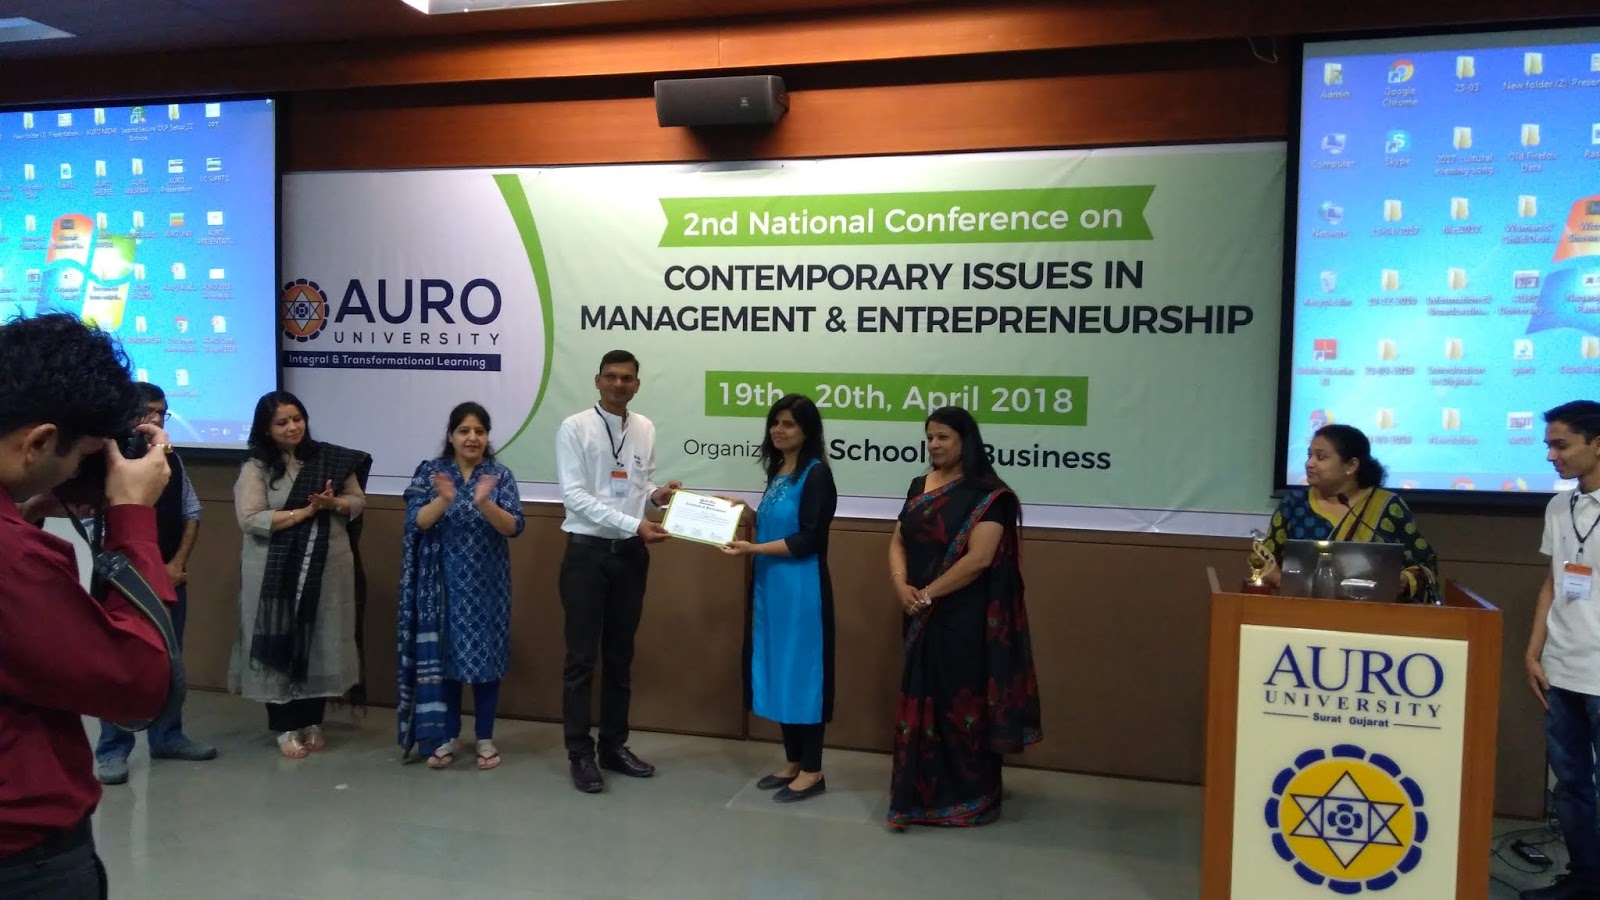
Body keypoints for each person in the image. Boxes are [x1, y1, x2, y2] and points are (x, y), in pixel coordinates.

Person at [0, 313, 179, 898]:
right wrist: (132, 517)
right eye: (81, 456)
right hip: (24, 859)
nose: (81, 472)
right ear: (38, 442)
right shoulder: (16, 561)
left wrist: (24, 509)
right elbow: (137, 684)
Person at [885, 406, 1041, 830]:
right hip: (918, 612)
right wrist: (901, 585)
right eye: (929, 437)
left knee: (961, 706)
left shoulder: (989, 495)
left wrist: (928, 594)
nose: (934, 445)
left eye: (943, 437)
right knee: (921, 700)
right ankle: (914, 799)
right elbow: (898, 540)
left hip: (964, 619)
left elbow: (980, 559)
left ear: (965, 441)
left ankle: (971, 799)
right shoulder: (919, 486)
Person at [555, 349, 681, 793]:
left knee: (620, 657)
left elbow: (638, 486)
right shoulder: (574, 428)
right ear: (597, 380)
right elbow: (575, 497)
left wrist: (658, 497)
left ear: (637, 385)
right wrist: (635, 523)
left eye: (627, 378)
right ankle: (579, 752)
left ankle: (613, 745)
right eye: (611, 376)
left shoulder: (645, 427)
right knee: (581, 660)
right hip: (587, 556)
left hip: (630, 555)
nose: (618, 384)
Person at [230, 391, 371, 758]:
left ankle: (311, 720)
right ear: (266, 429)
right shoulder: (256, 467)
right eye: (282, 422)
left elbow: (357, 501)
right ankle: (284, 726)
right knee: (278, 638)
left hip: (326, 567)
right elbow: (250, 518)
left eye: (297, 419)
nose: (293, 427)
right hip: (273, 573)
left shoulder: (329, 459)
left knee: (321, 636)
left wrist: (333, 503)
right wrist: (303, 514)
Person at [94, 382, 217, 786]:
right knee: (118, 665)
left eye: (162, 412)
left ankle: (168, 737)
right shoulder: (107, 459)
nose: (157, 419)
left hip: (168, 578)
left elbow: (192, 512)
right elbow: (95, 524)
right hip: (120, 583)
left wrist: (176, 564)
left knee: (169, 661)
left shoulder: (170, 459)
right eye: (148, 412)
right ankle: (113, 749)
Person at [722, 394, 838, 803]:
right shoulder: (778, 471)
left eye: (788, 423)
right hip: (771, 587)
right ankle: (793, 761)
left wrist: (752, 549)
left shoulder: (816, 474)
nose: (778, 430)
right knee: (779, 670)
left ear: (807, 430)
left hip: (801, 590)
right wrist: (747, 513)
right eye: (775, 422)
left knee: (803, 674)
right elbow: (776, 524)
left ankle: (813, 769)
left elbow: (809, 538)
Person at [397, 401, 525, 771]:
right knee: (446, 661)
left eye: (479, 431)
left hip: (489, 586)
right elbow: (417, 521)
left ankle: (485, 738)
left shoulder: (499, 475)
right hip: (441, 586)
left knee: (488, 663)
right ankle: (447, 737)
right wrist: (444, 498)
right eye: (464, 430)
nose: (472, 438)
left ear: (487, 437)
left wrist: (484, 503)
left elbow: (514, 527)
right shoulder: (431, 472)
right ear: (451, 436)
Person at [1523, 400, 1600, 900]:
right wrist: (1534, 652)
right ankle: (1585, 879)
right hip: (1560, 667)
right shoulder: (1558, 507)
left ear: (1598, 444)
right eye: (1549, 445)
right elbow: (1552, 583)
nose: (1552, 455)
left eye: (1561, 445)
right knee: (1570, 784)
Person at [1252, 423, 1440, 603]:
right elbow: (1264, 559)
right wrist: (1280, 580)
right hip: (1300, 612)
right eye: (1309, 455)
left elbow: (1423, 565)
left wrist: (1403, 580)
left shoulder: (1387, 507)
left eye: (1321, 457)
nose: (1309, 463)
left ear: (1351, 465)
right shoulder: (1295, 504)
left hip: (1371, 616)